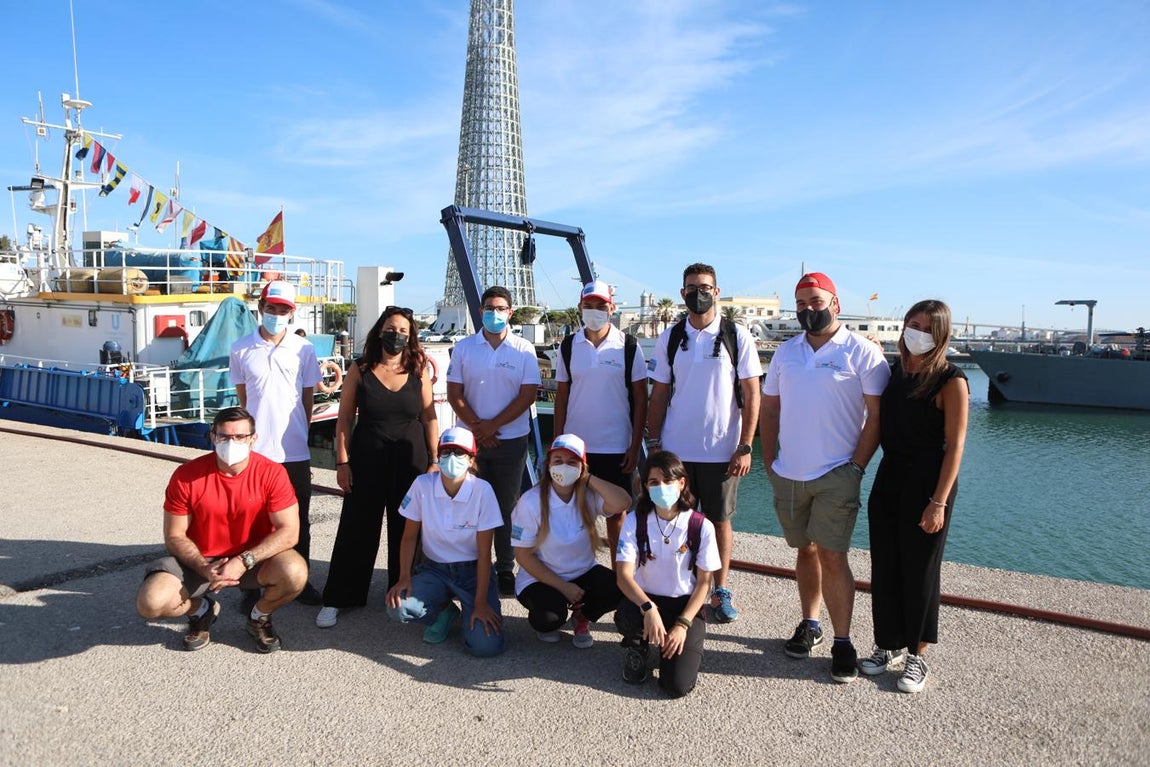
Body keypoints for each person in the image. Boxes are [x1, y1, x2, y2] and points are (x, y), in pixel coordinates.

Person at [760, 271, 890, 683]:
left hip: (837, 474)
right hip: (789, 473)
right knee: (805, 552)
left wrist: (856, 468)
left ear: (835, 303)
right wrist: (769, 462)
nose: (808, 310)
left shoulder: (862, 352)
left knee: (834, 555)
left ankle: (842, 640)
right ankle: (809, 623)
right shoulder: (786, 353)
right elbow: (769, 410)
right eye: (800, 304)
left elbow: (877, 418)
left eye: (816, 302)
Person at [135, 407, 307, 653]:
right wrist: (204, 567)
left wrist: (244, 560)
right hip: (200, 561)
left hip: (252, 560)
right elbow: (174, 535)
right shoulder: (186, 476)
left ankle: (259, 616)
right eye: (224, 436)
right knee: (150, 603)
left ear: (253, 439)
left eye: (239, 437)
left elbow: (290, 532)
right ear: (212, 436)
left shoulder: (273, 473)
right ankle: (202, 611)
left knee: (295, 572)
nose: (231, 442)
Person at [861, 300, 968, 693]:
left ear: (940, 334)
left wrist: (938, 501)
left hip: (929, 485)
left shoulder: (950, 380)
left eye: (924, 326)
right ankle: (885, 644)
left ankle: (917, 656)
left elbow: (955, 447)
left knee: (921, 571)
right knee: (885, 565)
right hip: (889, 478)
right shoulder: (893, 373)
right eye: (911, 323)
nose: (915, 331)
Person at [646, 263, 761, 623]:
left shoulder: (736, 335)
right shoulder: (671, 337)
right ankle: (683, 585)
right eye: (693, 287)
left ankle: (720, 589)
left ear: (717, 291)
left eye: (706, 286)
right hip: (677, 449)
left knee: (719, 521)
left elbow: (752, 392)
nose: (700, 292)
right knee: (677, 519)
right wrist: (653, 442)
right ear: (683, 294)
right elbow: (660, 392)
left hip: (721, 450)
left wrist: (745, 445)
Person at [316, 306, 438, 629]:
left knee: (408, 529)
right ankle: (338, 597)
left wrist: (436, 459)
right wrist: (342, 461)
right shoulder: (360, 368)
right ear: (379, 330)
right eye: (391, 328)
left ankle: (403, 592)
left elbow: (428, 417)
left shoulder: (419, 369)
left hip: (411, 461)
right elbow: (344, 419)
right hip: (367, 459)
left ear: (410, 337)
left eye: (403, 331)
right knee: (357, 528)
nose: (396, 335)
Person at [229, 280, 324, 606]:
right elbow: (244, 399)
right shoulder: (241, 348)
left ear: (291, 313)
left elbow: (307, 397)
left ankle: (302, 580)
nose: (277, 314)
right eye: (272, 308)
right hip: (254, 452)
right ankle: (250, 585)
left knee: (300, 519)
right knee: (252, 521)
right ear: (261, 309)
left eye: (284, 310)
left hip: (294, 450)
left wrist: (299, 428)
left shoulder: (305, 349)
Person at [446, 285, 542, 596]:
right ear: (481, 311)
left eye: (501, 308)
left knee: (505, 505)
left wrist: (492, 426)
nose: (495, 313)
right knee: (467, 503)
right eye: (490, 307)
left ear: (510, 312)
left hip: (510, 440)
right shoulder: (463, 347)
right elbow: (454, 394)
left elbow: (528, 395)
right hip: (469, 443)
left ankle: (504, 567)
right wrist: (478, 428)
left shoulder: (523, 349)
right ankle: (470, 563)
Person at [385, 427, 504, 657]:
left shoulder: (483, 491)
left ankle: (471, 608)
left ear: (471, 460)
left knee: (485, 646)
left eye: (460, 453)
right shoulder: (422, 485)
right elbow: (409, 537)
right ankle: (443, 612)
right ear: (438, 456)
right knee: (397, 607)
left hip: (472, 572)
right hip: (434, 569)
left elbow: (484, 554)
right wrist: (404, 578)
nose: (452, 458)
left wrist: (480, 602)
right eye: (446, 452)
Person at [553, 279, 647, 562]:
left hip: (617, 446)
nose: (594, 311)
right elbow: (561, 396)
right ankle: (581, 572)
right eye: (588, 306)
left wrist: (634, 446)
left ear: (611, 308)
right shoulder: (568, 346)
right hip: (576, 448)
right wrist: (557, 445)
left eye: (600, 306)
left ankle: (621, 577)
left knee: (617, 514)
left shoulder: (629, 346)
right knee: (576, 514)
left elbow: (641, 398)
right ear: (581, 308)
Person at [615, 450, 720, 697]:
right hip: (645, 601)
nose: (661, 487)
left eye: (668, 481)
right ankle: (637, 646)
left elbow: (704, 583)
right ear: (645, 487)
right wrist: (648, 608)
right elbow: (623, 576)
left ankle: (674, 644)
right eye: (654, 482)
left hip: (685, 606)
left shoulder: (700, 526)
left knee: (675, 686)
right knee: (628, 616)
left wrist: (683, 624)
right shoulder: (635, 521)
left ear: (682, 483)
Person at [511, 433, 631, 648]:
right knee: (550, 618)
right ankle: (551, 616)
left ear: (582, 467)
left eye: (572, 462)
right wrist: (564, 587)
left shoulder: (587, 496)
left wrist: (588, 478)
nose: (564, 467)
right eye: (558, 461)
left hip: (582, 570)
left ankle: (581, 615)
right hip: (540, 577)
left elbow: (623, 502)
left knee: (618, 588)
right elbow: (523, 555)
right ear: (548, 465)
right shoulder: (530, 502)